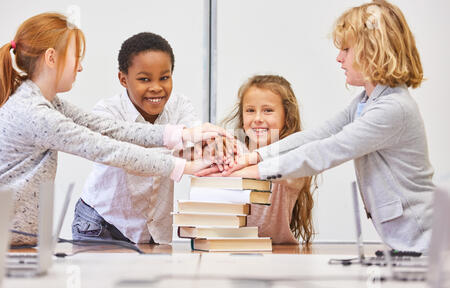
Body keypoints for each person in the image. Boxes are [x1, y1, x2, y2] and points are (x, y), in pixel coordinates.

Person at [205, 0, 435, 252]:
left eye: (346, 49)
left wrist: (254, 171)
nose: (339, 58)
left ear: (373, 51)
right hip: (407, 242)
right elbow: (317, 136)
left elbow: (327, 150)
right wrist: (255, 156)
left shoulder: (392, 109)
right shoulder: (365, 102)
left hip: (423, 241)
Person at [0, 12, 228, 246]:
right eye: (75, 58)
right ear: (51, 58)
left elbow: (110, 129)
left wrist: (182, 134)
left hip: (17, 239)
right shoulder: (35, 113)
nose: (80, 67)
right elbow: (108, 149)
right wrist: (185, 167)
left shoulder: (47, 102)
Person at [72, 32, 202, 245]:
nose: (156, 87)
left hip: (151, 228)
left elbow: (195, 138)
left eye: (164, 77)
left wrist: (211, 145)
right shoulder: (106, 113)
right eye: (144, 79)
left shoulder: (180, 106)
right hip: (101, 224)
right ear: (123, 79)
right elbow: (130, 157)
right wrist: (182, 163)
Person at [219, 75, 316, 244]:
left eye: (268, 110)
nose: (257, 118)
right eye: (250, 110)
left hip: (278, 250)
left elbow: (290, 172)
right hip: (230, 247)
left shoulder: (293, 158)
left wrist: (232, 170)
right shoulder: (234, 151)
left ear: (287, 117)